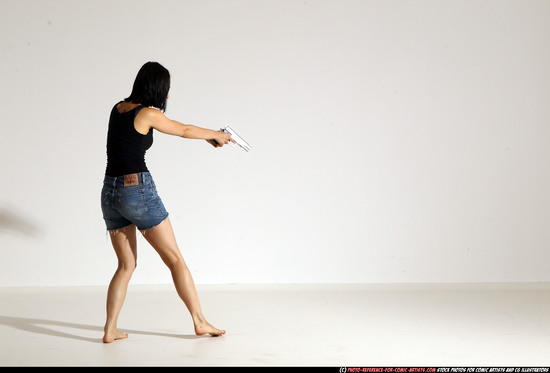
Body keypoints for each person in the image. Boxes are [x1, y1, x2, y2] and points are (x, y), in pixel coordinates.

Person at [100, 61, 232, 343]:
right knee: (175, 259)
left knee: (125, 265)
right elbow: (182, 130)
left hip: (110, 193)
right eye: (166, 89)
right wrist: (216, 134)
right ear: (157, 88)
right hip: (137, 192)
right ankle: (199, 321)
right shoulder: (147, 113)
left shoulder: (118, 108)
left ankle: (110, 329)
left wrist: (208, 137)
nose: (168, 96)